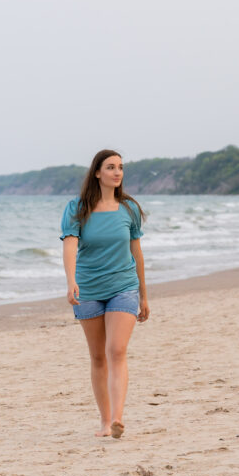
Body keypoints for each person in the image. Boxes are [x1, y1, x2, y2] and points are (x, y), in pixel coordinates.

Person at [60, 149, 149, 439]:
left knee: (117, 350)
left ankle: (118, 418)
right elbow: (70, 245)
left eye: (121, 167)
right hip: (88, 289)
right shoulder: (77, 208)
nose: (117, 172)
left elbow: (136, 252)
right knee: (98, 356)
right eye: (111, 167)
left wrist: (144, 295)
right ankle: (104, 420)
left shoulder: (129, 209)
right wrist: (71, 280)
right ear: (97, 173)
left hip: (123, 287)